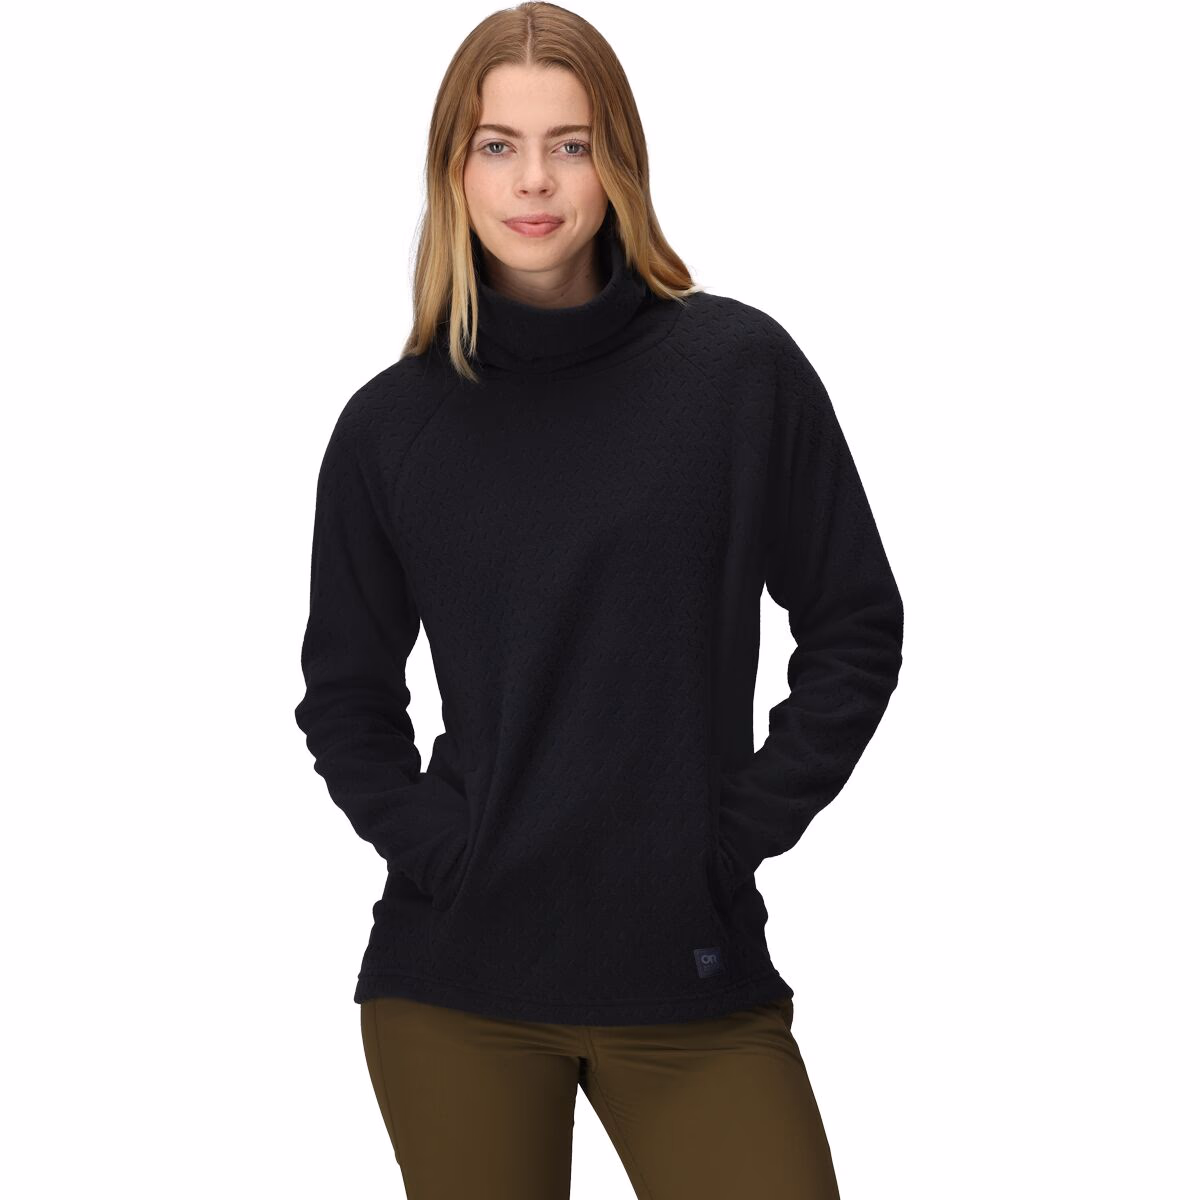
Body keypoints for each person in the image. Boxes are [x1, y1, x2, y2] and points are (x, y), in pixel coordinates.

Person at [293, 4, 903, 1197]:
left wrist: (730, 832)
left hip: (687, 972)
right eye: (498, 145)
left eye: (569, 144)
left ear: (618, 160)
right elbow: (345, 700)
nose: (534, 181)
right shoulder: (391, 427)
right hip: (455, 987)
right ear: (453, 170)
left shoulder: (737, 375)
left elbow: (854, 624)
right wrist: (446, 852)